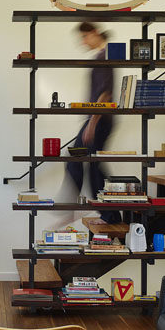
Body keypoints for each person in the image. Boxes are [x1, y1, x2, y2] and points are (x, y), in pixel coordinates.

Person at [66, 22, 119, 222]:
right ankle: (109, 213)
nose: (82, 42)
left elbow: (105, 94)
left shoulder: (104, 57)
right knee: (93, 165)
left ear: (95, 33)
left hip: (100, 119)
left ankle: (74, 207)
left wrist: (92, 123)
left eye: (84, 37)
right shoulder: (102, 56)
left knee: (76, 159)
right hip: (98, 119)